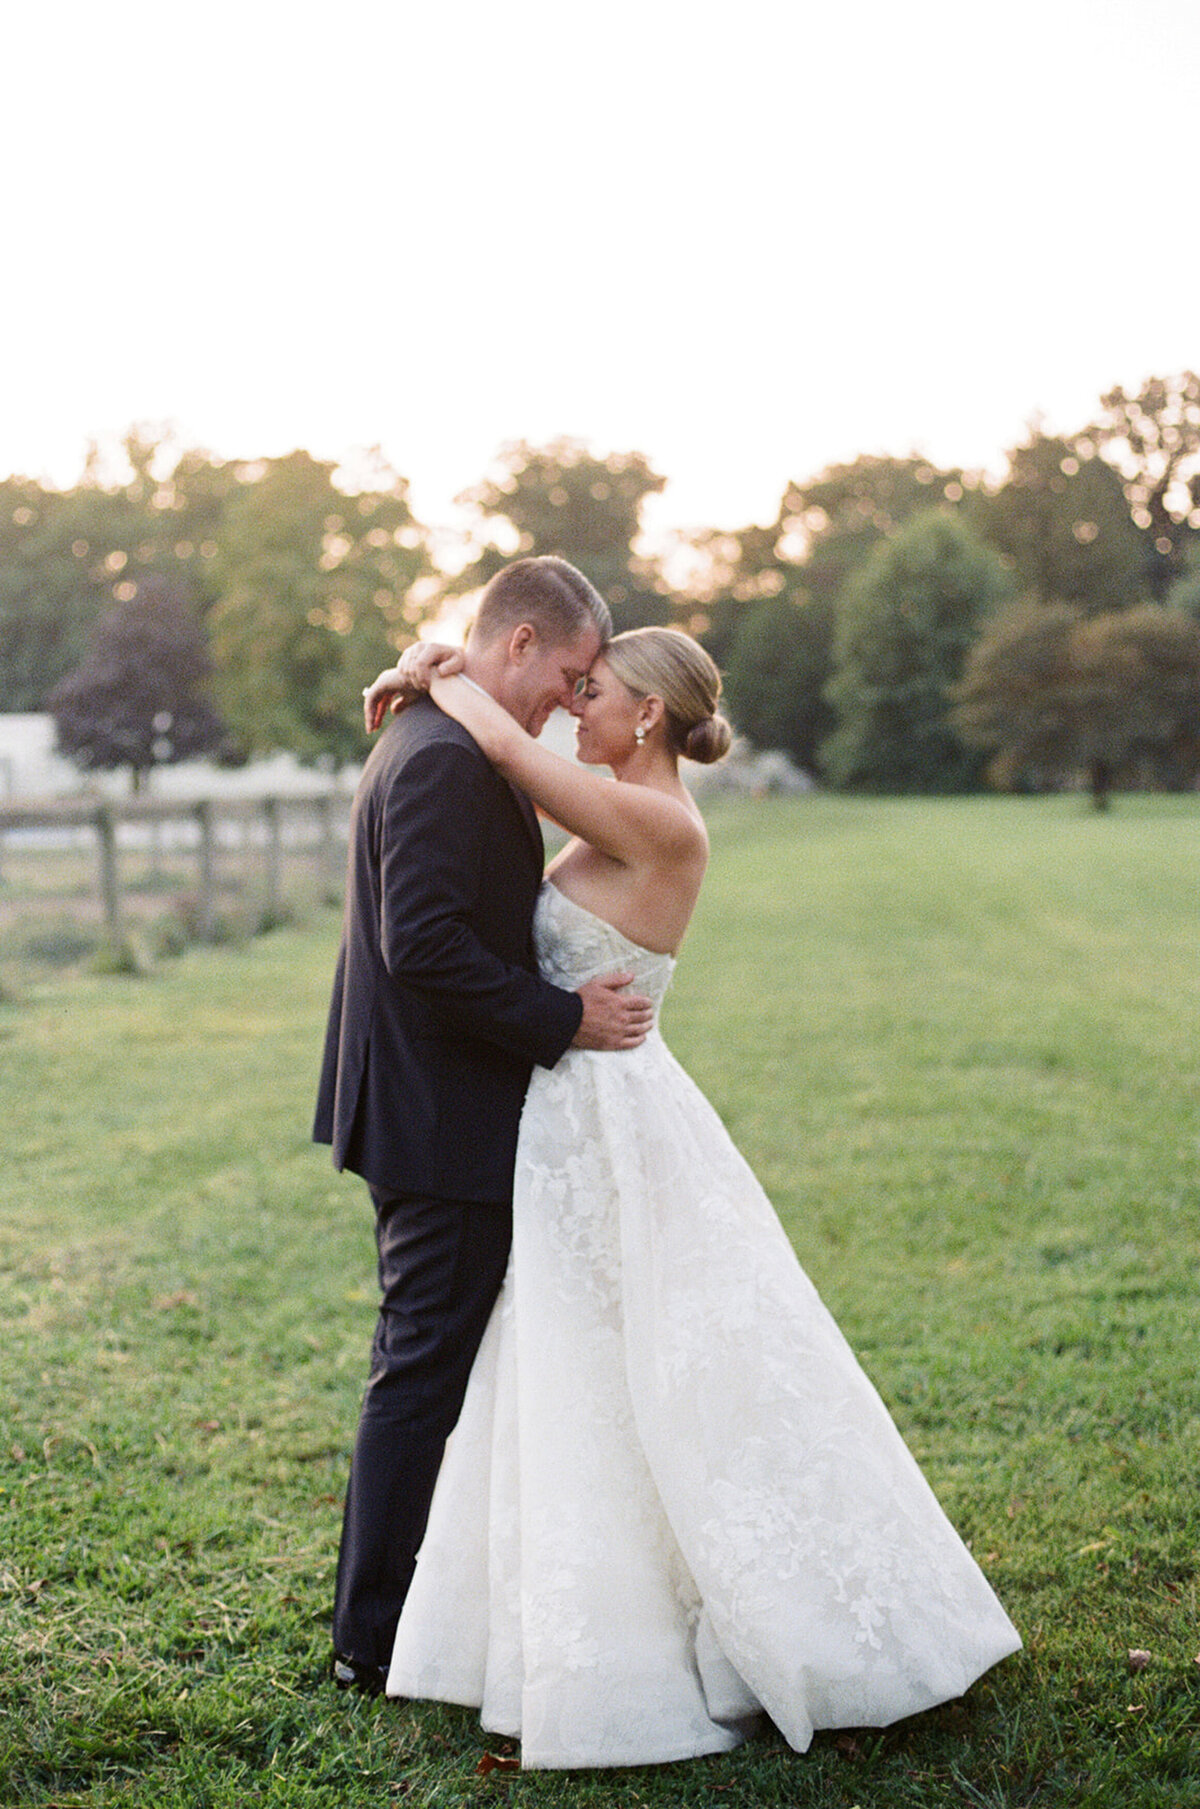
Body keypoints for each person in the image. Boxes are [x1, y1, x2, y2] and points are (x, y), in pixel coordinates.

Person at [359, 626, 1022, 1769]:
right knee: (578, 1369)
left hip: (612, 1120)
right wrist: (437, 671)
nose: (576, 709)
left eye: (596, 693)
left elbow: (510, 759)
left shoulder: (661, 820)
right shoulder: (613, 797)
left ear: (650, 715)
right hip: (562, 1119)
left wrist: (442, 673)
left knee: (658, 1367)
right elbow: (501, 777)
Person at [313, 557, 654, 1695]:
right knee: (418, 1374)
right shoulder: (446, 759)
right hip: (439, 1115)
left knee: (423, 1364)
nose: (570, 697)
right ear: (517, 645)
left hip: (427, 1101)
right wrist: (565, 1018)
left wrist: (429, 666)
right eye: (565, 672)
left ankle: (404, 1608)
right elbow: (428, 946)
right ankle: (371, 1634)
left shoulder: (448, 733)